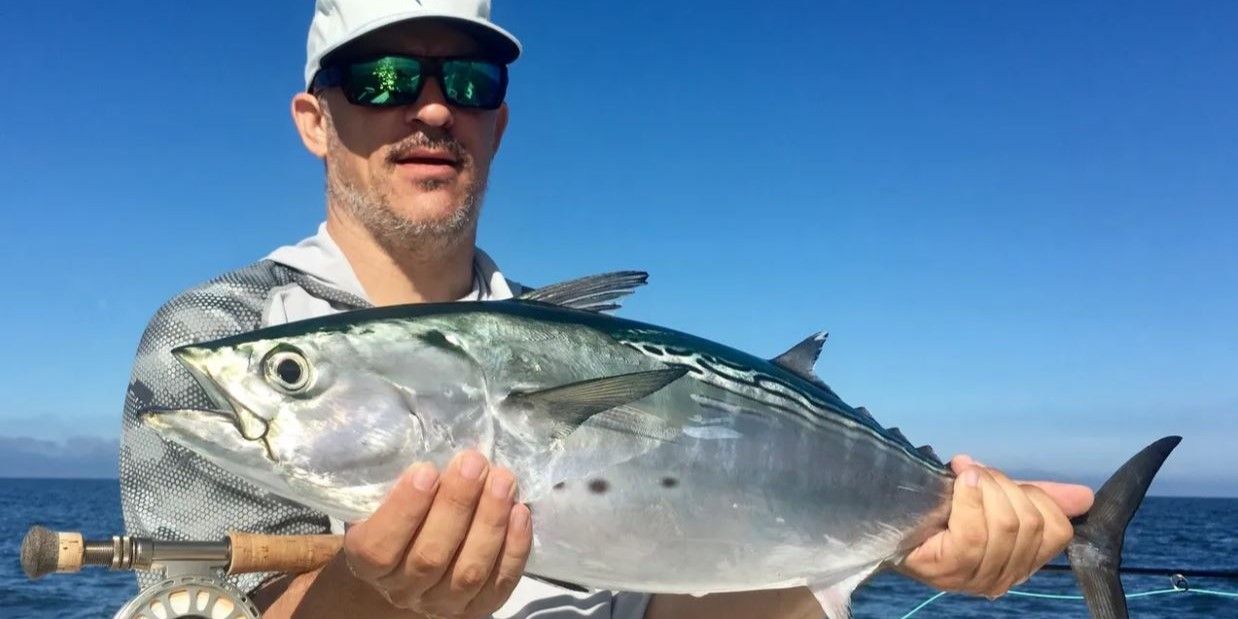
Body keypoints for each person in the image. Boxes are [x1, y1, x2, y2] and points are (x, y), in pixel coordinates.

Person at [119, 1, 1096, 618]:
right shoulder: (218, 337)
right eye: (378, 79)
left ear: (495, 119)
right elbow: (195, 605)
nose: (429, 109)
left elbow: (704, 585)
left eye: (467, 81)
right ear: (313, 119)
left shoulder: (552, 335)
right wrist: (368, 599)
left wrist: (926, 539)